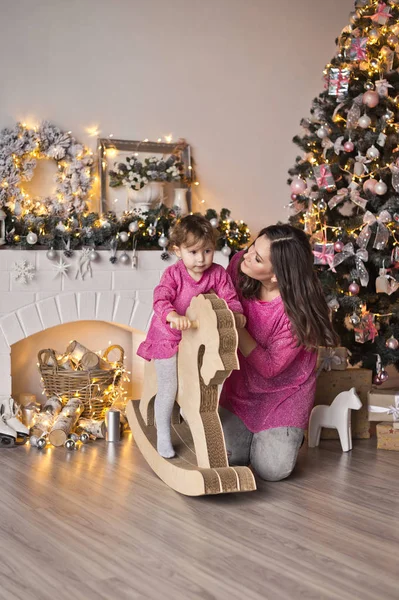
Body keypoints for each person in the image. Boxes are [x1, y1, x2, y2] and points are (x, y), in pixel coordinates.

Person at [219, 224, 339, 481]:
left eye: (257, 258)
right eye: (253, 246)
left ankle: (290, 434)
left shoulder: (297, 314)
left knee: (272, 471)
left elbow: (270, 367)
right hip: (240, 390)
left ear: (276, 276)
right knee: (226, 458)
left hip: (284, 396)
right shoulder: (241, 265)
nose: (246, 255)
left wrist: (235, 327)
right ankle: (252, 438)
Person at [137, 214, 245, 458]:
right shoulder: (173, 274)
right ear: (178, 250)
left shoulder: (217, 274)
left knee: (204, 380)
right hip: (168, 335)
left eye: (207, 251)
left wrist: (236, 315)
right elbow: (160, 297)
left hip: (195, 337)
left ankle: (196, 415)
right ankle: (163, 432)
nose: (201, 259)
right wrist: (173, 315)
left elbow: (230, 299)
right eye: (193, 252)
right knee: (169, 385)